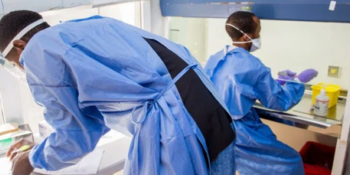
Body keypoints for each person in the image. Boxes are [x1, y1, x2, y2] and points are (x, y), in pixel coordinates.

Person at [0, 10, 237, 175]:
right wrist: (43, 145)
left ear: (20, 45)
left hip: (178, 123)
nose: (21, 67)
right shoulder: (87, 26)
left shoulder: (38, 51)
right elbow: (93, 116)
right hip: (208, 106)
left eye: (14, 62)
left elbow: (77, 135)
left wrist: (32, 160)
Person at [204, 11, 318, 175]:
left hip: (214, 128)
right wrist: (297, 82)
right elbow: (279, 101)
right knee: (290, 162)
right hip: (240, 134)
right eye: (258, 31)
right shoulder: (253, 66)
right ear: (246, 37)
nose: (259, 35)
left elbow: (232, 87)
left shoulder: (215, 58)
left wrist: (274, 83)